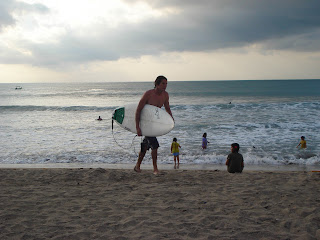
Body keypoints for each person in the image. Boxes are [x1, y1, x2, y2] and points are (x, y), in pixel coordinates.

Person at [134, 76, 173, 175]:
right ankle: (155, 169)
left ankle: (137, 166)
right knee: (154, 145)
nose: (165, 86)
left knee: (145, 145)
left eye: (166, 83)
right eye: (163, 83)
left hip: (154, 123)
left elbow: (167, 108)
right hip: (145, 123)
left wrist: (171, 120)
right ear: (157, 84)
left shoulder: (165, 95)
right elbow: (138, 110)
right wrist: (137, 127)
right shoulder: (148, 94)